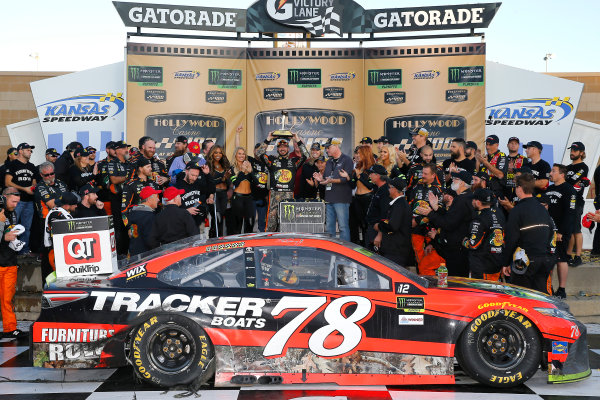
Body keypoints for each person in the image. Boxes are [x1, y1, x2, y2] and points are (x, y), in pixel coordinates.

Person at [502, 173, 557, 295]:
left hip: (525, 260)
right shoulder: (542, 208)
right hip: (544, 259)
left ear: (520, 188)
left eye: (516, 187)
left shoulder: (517, 210)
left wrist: (505, 263)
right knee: (541, 296)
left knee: (522, 296)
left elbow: (511, 239)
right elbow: (551, 232)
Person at [417, 170, 474, 277]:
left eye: (456, 179)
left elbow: (448, 223)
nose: (452, 180)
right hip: (460, 246)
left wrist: (430, 213)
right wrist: (436, 208)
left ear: (462, 183)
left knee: (457, 281)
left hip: (457, 249)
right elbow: (452, 217)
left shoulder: (461, 200)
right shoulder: (467, 197)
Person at [256, 132, 309, 232]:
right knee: (271, 225)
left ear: (289, 149)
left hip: (288, 195)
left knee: (287, 224)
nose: (282, 149)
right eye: (280, 147)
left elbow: (306, 155)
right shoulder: (272, 160)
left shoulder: (294, 161)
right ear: (277, 149)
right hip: (274, 195)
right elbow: (259, 154)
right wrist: (268, 139)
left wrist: (297, 139)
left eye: (285, 146)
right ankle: (269, 244)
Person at [313, 138, 354, 241]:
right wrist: (320, 179)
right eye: (326, 148)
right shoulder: (330, 161)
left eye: (328, 147)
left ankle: (345, 252)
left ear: (336, 146)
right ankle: (331, 251)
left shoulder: (347, 159)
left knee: (343, 227)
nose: (327, 150)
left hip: (341, 199)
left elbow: (346, 179)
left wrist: (330, 181)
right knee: (329, 228)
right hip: (329, 198)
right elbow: (327, 179)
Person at [547, 164, 577, 299]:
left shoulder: (569, 190)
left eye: (553, 171)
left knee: (560, 259)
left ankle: (562, 289)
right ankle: (548, 287)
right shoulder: (550, 188)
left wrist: (561, 232)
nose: (551, 173)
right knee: (549, 259)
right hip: (548, 230)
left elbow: (570, 213)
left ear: (562, 174)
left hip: (560, 231)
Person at [409, 163, 444, 276]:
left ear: (433, 175)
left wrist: (418, 220)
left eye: (425, 174)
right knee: (418, 258)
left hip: (431, 231)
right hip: (416, 230)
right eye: (422, 173)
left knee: (430, 261)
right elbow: (410, 204)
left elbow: (438, 213)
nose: (422, 176)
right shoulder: (417, 186)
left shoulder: (438, 190)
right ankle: (420, 280)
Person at [463, 188, 505, 280]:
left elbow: (473, 245)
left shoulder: (479, 219)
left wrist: (465, 241)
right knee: (494, 293)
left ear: (478, 202)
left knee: (481, 293)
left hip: (482, 267)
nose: (472, 202)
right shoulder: (500, 214)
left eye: (473, 200)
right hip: (497, 263)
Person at [5, 143, 38, 255]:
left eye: (30, 150)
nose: (30, 152)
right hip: (15, 201)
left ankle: (24, 250)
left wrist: (32, 188)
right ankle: (9, 251)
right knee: (11, 226)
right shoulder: (13, 164)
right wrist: (25, 189)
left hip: (29, 201)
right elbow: (8, 182)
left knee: (26, 228)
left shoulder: (32, 166)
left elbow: (34, 182)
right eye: (28, 150)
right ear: (20, 151)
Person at [0, 189, 24, 339]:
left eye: (17, 202)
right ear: (4, 198)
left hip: (9, 261)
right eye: (13, 201)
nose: (15, 205)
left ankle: (10, 327)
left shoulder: (13, 213)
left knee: (7, 298)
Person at [374, 176, 411, 266]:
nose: (388, 190)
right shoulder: (400, 203)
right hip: (396, 249)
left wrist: (378, 226)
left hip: (396, 251)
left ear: (395, 189)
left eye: (390, 187)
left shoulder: (399, 205)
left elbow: (392, 226)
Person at [42, 192, 78, 280]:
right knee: (56, 280)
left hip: (61, 252)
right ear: (66, 205)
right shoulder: (56, 214)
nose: (76, 206)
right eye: (74, 204)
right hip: (54, 252)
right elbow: (57, 237)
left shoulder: (63, 212)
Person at [564, 142, 589, 267]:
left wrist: (567, 182)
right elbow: (564, 181)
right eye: (571, 149)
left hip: (577, 201)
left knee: (576, 229)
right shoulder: (567, 167)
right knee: (569, 229)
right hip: (566, 201)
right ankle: (568, 255)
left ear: (582, 153)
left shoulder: (583, 167)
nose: (572, 152)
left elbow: (570, 181)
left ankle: (578, 256)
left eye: (575, 150)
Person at [106, 141, 133, 256]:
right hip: (117, 199)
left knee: (130, 226)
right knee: (120, 229)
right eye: (124, 148)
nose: (127, 150)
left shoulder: (130, 163)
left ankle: (129, 253)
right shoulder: (112, 163)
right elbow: (114, 180)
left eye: (127, 147)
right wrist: (129, 177)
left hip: (130, 199)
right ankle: (120, 256)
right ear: (117, 151)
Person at [175, 160, 214, 235]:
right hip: (185, 223)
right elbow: (173, 209)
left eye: (196, 176)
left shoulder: (198, 183)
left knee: (203, 239)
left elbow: (211, 189)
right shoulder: (178, 186)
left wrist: (207, 175)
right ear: (186, 171)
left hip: (200, 220)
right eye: (192, 175)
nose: (194, 178)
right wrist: (186, 211)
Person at [349, 146, 376, 245]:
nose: (357, 155)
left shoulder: (371, 168)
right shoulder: (357, 167)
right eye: (357, 153)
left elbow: (370, 186)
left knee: (366, 225)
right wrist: (349, 177)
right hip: (356, 198)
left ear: (365, 154)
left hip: (367, 198)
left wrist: (359, 176)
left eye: (359, 153)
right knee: (355, 224)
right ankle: (356, 246)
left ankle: (367, 246)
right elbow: (352, 185)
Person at [128, 186, 161, 256]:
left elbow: (132, 234)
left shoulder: (133, 213)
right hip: (146, 256)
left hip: (134, 254)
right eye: (156, 197)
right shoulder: (149, 216)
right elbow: (151, 240)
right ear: (149, 199)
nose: (158, 200)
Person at [34, 162, 68, 229]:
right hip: (48, 220)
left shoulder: (61, 183)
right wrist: (66, 199)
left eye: (52, 174)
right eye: (46, 175)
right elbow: (52, 205)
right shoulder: (40, 187)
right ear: (41, 175)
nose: (50, 176)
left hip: (64, 216)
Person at [206, 145, 231, 237]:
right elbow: (209, 182)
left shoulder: (225, 164)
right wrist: (222, 179)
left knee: (219, 219)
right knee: (217, 218)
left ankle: (213, 239)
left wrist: (227, 179)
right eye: (216, 152)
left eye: (220, 152)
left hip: (223, 195)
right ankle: (215, 240)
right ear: (212, 153)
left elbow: (228, 181)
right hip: (214, 194)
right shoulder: (208, 165)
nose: (218, 154)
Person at [229, 147, 255, 234]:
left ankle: (248, 245)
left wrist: (250, 171)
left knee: (250, 224)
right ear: (235, 155)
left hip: (249, 198)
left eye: (243, 153)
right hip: (238, 198)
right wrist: (242, 171)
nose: (241, 155)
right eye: (239, 153)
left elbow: (257, 182)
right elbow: (236, 183)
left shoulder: (250, 165)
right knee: (237, 225)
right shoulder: (232, 168)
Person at [365, 164, 390, 249]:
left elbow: (386, 215)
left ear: (378, 175)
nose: (370, 176)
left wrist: (380, 234)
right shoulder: (377, 188)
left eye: (371, 173)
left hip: (378, 230)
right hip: (372, 227)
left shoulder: (386, 191)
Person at [248, 144, 269, 233]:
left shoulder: (268, 163)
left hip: (263, 198)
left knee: (262, 223)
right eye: (257, 149)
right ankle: (249, 241)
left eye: (261, 149)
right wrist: (237, 134)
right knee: (250, 223)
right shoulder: (250, 160)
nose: (259, 151)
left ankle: (262, 241)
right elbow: (238, 150)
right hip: (251, 197)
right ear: (253, 150)